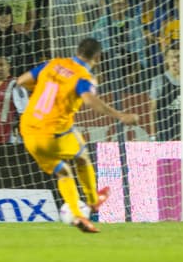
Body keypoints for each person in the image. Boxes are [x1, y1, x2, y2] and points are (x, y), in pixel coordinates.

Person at [17, 38, 139, 234]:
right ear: (97, 58)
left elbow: (21, 81)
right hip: (53, 134)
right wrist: (120, 116)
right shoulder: (84, 77)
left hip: (28, 131)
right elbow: (90, 101)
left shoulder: (54, 63)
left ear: (77, 50)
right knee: (82, 158)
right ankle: (93, 201)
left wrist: (42, 89)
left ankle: (78, 215)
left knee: (63, 172)